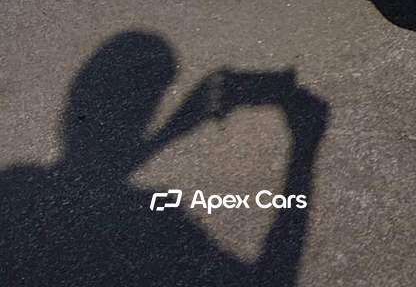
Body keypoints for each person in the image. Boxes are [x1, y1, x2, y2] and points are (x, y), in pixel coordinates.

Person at [0, 31, 328, 286]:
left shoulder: (18, 189)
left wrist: (175, 129)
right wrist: (304, 147)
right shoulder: (148, 225)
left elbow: (84, 183)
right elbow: (272, 279)